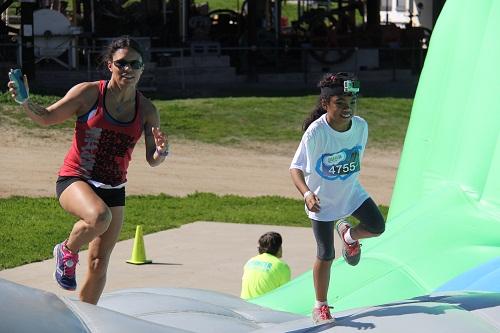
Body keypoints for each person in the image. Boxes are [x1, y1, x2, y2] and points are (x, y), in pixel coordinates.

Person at [7, 36, 169, 305]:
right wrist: (25, 103)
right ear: (110, 65)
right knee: (99, 217)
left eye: (134, 64)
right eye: (121, 63)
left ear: (142, 68)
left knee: (98, 262)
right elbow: (46, 117)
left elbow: (153, 159)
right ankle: (66, 251)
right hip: (76, 179)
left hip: (114, 187)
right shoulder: (89, 93)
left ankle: (85, 317)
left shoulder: (147, 110)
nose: (127, 69)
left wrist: (162, 152)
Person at [289, 72, 385, 324]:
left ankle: (349, 236)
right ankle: (320, 306)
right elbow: (295, 168)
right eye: (340, 103)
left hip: (351, 192)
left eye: (351, 102)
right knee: (326, 254)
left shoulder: (361, 127)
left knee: (377, 227)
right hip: (322, 202)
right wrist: (307, 194)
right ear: (325, 104)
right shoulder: (316, 133)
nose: (347, 108)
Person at [240, 232, 291, 300]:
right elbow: (285, 295)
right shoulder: (281, 266)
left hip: (243, 306)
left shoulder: (250, 261)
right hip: (265, 309)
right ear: (279, 248)